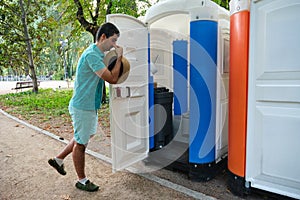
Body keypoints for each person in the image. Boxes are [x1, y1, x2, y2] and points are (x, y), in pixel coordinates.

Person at [48, 22, 123, 192]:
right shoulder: (92, 55)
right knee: (81, 144)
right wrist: (118, 57)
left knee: (83, 135)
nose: (115, 45)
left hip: (88, 105)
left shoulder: (96, 53)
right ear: (103, 37)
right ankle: (82, 180)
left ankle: (58, 159)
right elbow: (112, 78)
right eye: (113, 40)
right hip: (83, 106)